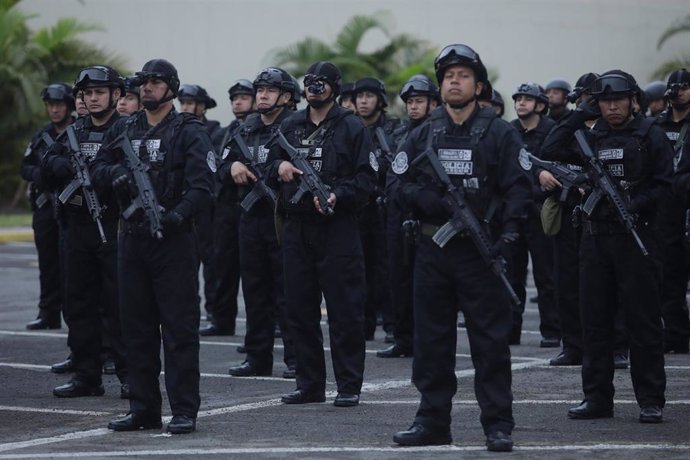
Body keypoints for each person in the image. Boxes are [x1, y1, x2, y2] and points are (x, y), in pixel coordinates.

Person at [391, 44, 531, 452]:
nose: (455, 81)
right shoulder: (421, 133)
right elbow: (397, 185)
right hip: (434, 249)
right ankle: (432, 421)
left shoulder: (499, 133)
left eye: (463, 76)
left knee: (490, 343)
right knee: (431, 342)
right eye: (449, 76)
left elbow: (519, 191)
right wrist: (428, 200)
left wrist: (506, 238)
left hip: (481, 253)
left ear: (479, 85)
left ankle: (497, 424)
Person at [91, 58, 214, 434]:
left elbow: (204, 187)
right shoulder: (125, 128)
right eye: (143, 82)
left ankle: (183, 410)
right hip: (131, 238)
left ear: (171, 88)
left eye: (155, 82)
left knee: (178, 329)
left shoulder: (189, 131)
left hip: (173, 240)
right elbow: (97, 169)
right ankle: (143, 408)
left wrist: (176, 216)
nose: (146, 88)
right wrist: (115, 174)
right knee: (137, 328)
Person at [541, 70, 669, 424]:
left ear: (632, 101)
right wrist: (581, 113)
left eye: (618, 100)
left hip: (635, 238)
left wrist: (633, 202)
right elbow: (549, 149)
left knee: (643, 323)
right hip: (595, 240)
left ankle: (650, 399)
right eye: (605, 101)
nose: (612, 107)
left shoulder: (650, 135)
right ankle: (597, 398)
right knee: (594, 322)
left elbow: (665, 185)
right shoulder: (588, 134)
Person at [267, 60, 376, 408]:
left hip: (337, 228)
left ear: (335, 87)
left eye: (321, 83)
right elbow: (268, 163)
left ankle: (348, 385)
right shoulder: (291, 124)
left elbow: (366, 180)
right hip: (297, 228)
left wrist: (336, 195)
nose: (314, 88)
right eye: (309, 82)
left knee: (345, 310)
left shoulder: (352, 128)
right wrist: (279, 166)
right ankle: (309, 384)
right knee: (298, 310)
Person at [40, 66, 128, 399]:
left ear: (115, 95)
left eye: (99, 92)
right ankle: (86, 375)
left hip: (113, 226)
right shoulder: (73, 131)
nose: (92, 99)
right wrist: (58, 167)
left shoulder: (126, 130)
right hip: (76, 228)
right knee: (78, 305)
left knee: (118, 306)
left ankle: (128, 375)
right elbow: (44, 169)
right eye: (87, 93)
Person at [221, 67, 296, 378]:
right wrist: (233, 165)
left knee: (288, 292)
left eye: (269, 90)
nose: (262, 95)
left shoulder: (294, 128)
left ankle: (295, 358)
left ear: (286, 97)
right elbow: (219, 163)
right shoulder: (246, 129)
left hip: (284, 219)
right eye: (259, 90)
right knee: (254, 290)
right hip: (250, 219)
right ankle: (257, 357)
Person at [377, 74, 439, 359]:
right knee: (397, 277)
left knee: (427, 283)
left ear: (433, 103)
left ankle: (426, 339)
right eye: (410, 102)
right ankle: (403, 338)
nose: (413, 107)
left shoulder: (439, 132)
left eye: (419, 101)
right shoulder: (400, 134)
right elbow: (394, 174)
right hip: (397, 213)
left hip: (428, 215)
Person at [546, 72, 598, 366]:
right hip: (570, 213)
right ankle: (573, 345)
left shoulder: (612, 131)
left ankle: (616, 345)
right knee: (566, 282)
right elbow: (551, 149)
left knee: (605, 285)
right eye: (581, 100)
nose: (586, 104)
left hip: (605, 218)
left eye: (590, 100)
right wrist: (577, 117)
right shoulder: (572, 129)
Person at [200, 79, 255, 337]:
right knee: (222, 265)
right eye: (235, 98)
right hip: (225, 206)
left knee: (258, 272)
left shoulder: (261, 130)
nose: (238, 102)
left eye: (244, 97)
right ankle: (222, 319)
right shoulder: (225, 132)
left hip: (252, 206)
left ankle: (267, 327)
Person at [507, 83, 559, 347]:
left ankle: (551, 331)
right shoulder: (508, 131)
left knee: (546, 275)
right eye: (518, 99)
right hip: (515, 212)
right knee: (511, 275)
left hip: (541, 212)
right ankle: (511, 330)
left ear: (540, 104)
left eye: (528, 99)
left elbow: (559, 167)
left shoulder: (552, 131)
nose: (521, 103)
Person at [21, 83, 75, 330]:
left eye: (59, 105)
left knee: (72, 266)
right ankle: (48, 313)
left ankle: (73, 317)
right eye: (51, 106)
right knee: (48, 263)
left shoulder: (78, 132)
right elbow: (25, 167)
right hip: (45, 208)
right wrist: (40, 173)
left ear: (69, 106)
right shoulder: (41, 136)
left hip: (72, 207)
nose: (54, 110)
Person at [353, 77, 401, 341]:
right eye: (359, 96)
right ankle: (364, 324)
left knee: (388, 268)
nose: (363, 101)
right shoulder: (348, 127)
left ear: (380, 101)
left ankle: (393, 326)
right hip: (359, 207)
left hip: (386, 206)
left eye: (369, 96)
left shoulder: (394, 129)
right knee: (359, 269)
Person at [178, 83, 221, 335]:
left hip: (209, 207)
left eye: (191, 103)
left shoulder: (213, 131)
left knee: (211, 262)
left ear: (202, 106)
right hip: (185, 205)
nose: (186, 107)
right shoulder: (176, 129)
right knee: (185, 264)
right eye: (182, 102)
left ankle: (214, 311)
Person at [659, 69, 690, 354]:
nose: (678, 91)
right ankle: (676, 335)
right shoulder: (655, 125)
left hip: (686, 207)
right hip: (663, 212)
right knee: (667, 277)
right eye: (674, 87)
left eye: (684, 87)